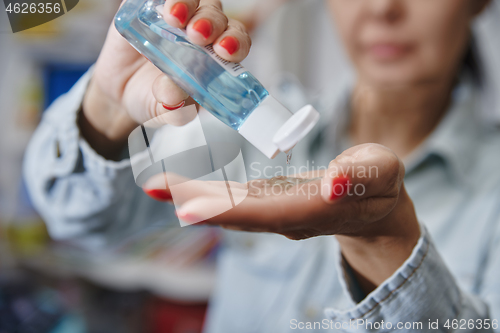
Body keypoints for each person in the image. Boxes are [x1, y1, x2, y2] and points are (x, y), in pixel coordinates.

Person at [24, 0, 500, 332]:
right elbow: (80, 222)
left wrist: (387, 242)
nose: (382, 8)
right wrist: (109, 107)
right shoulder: (243, 135)